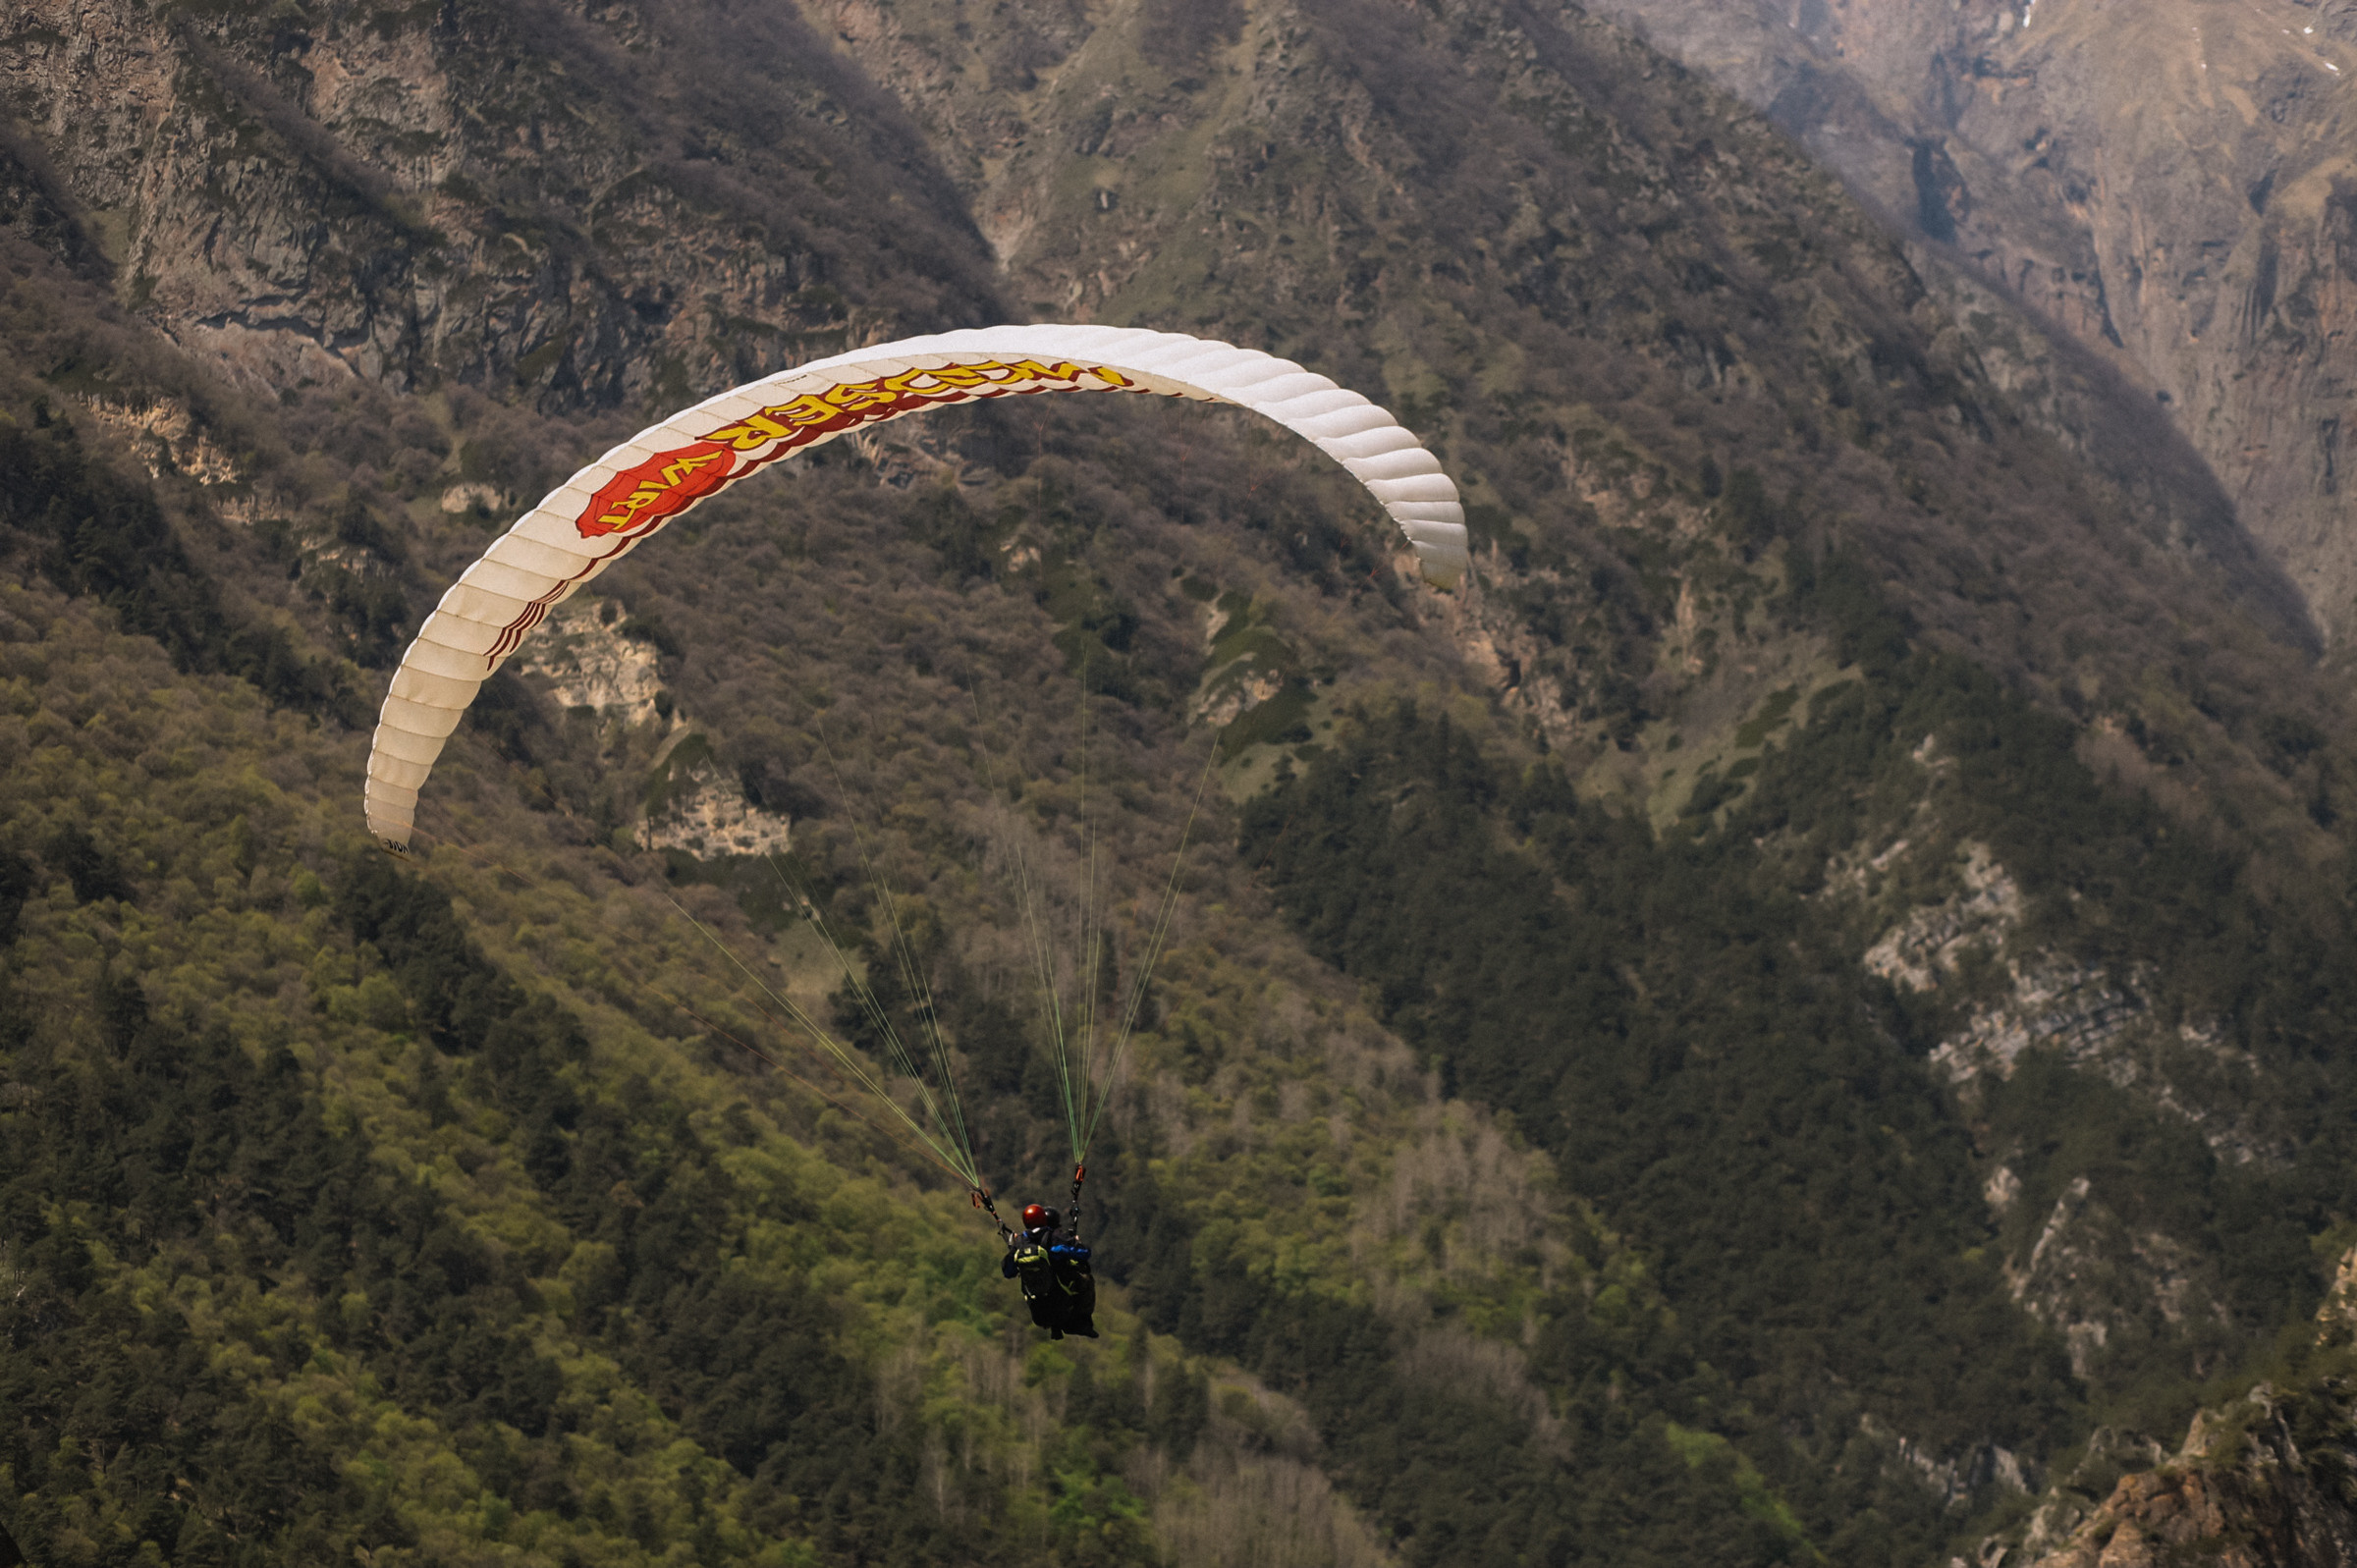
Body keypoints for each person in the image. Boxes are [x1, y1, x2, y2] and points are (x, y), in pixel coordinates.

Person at [1003, 1202, 1098, 1339]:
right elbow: (1085, 1253)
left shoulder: (1020, 1244)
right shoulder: (1054, 1238)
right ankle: (1084, 1323)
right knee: (1085, 1278)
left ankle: (1057, 1327)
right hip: (1061, 1301)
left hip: (1038, 1311)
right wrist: (1076, 1242)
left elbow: (1008, 1271)